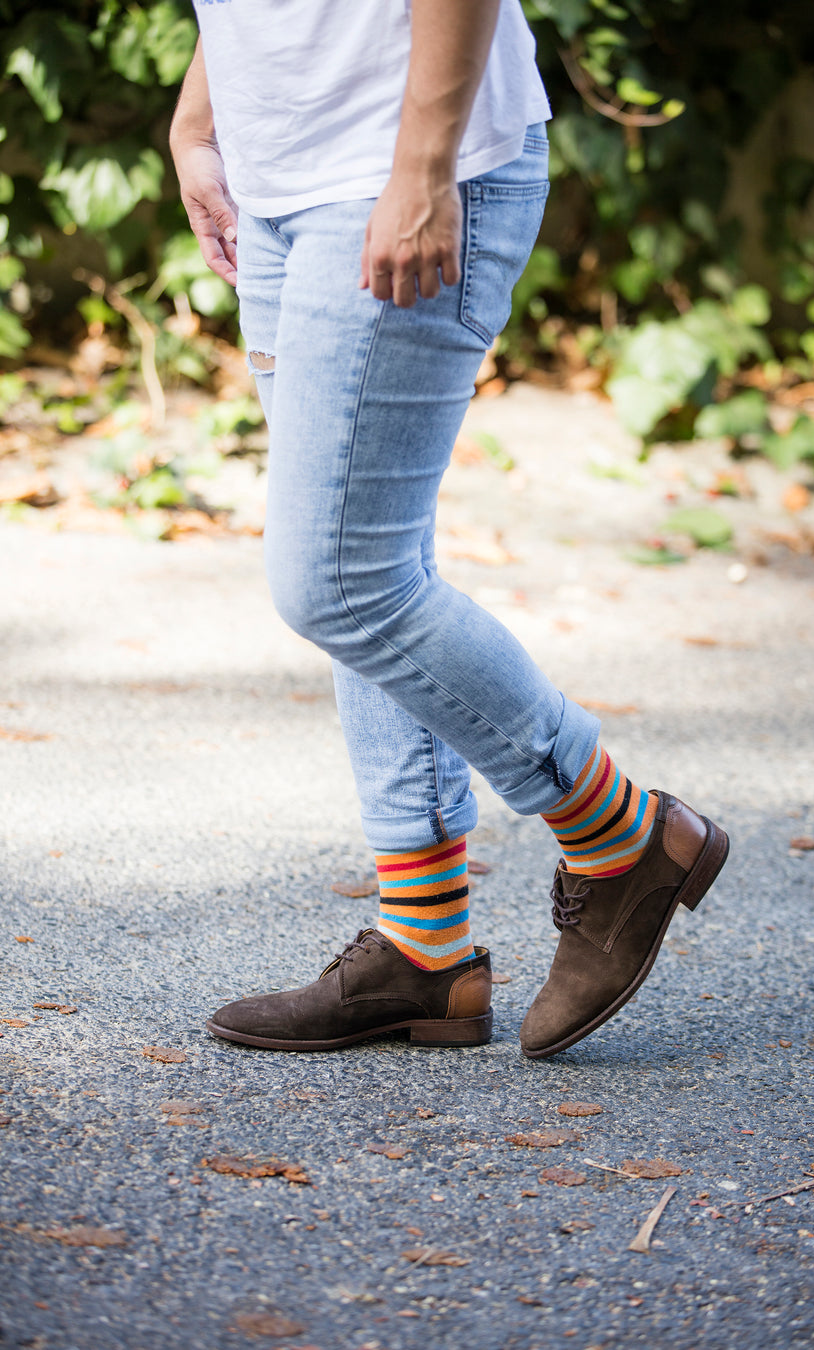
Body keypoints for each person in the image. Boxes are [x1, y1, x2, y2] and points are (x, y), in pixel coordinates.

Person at [169, 0, 729, 1060]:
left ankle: (620, 832)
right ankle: (426, 949)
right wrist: (200, 118)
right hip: (280, 177)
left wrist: (421, 169)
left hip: (408, 167)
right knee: (370, 561)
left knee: (337, 579)